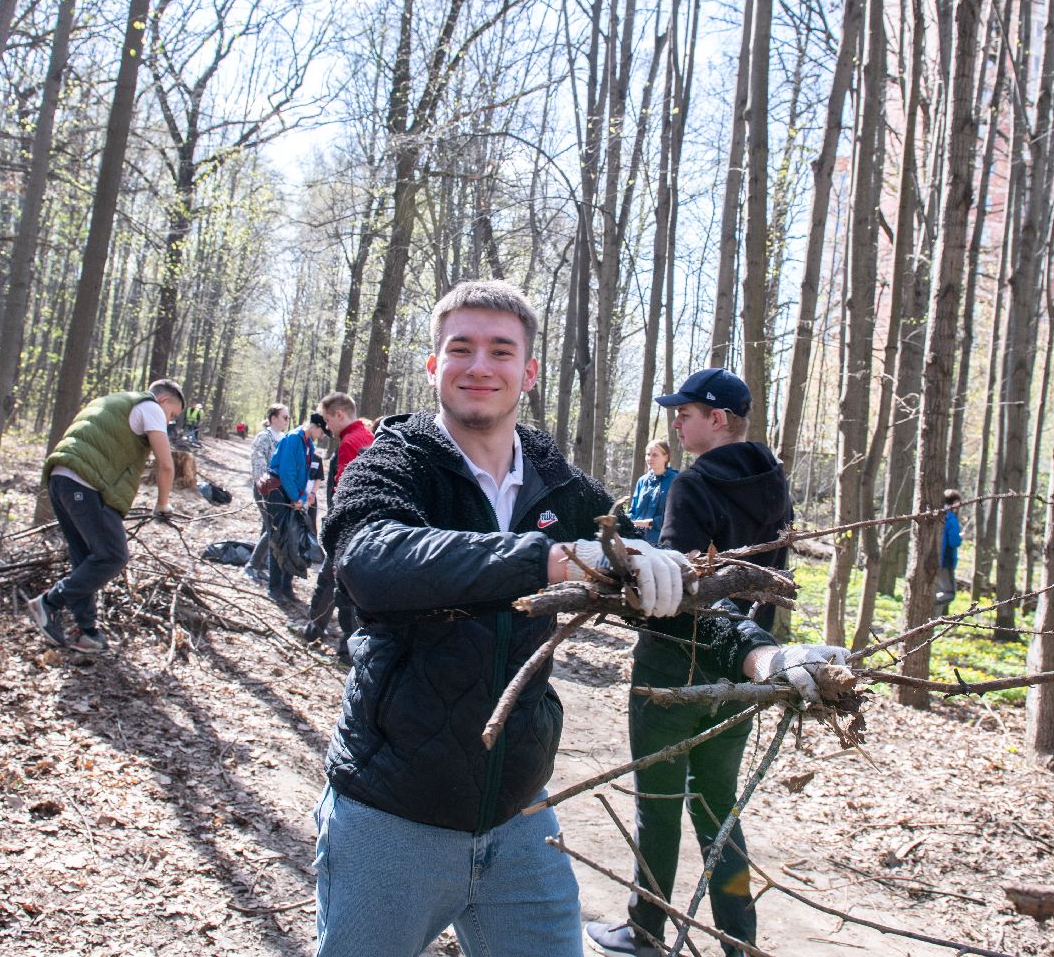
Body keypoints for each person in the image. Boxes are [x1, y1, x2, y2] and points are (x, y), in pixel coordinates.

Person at [314, 282, 829, 957]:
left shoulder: (565, 487)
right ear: (434, 365)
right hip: (392, 816)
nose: (480, 366)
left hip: (521, 820)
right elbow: (370, 560)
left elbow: (665, 594)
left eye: (502, 351)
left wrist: (765, 656)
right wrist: (552, 558)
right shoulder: (393, 463)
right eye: (461, 349)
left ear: (528, 372)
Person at [586, 367, 847, 957]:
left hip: (673, 667)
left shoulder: (693, 484)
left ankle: (645, 932)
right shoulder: (774, 480)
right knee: (718, 811)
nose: (676, 423)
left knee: (658, 806)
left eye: (685, 413)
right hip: (745, 668)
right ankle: (739, 940)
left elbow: (677, 590)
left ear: (718, 419)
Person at [28, 378, 185, 655]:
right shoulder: (150, 407)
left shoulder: (114, 400)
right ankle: (49, 602)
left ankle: (87, 632)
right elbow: (166, 465)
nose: (169, 422)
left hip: (61, 479)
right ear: (163, 401)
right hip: (84, 483)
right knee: (113, 555)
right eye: (172, 414)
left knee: (85, 558)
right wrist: (162, 505)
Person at [300, 390, 375, 659]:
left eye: (328, 420)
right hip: (361, 527)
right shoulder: (366, 436)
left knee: (335, 583)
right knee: (341, 584)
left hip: (349, 528)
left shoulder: (351, 441)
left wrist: (336, 527)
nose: (327, 427)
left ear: (340, 414)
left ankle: (338, 644)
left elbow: (345, 488)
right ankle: (321, 633)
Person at [265, 411, 324, 604]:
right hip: (279, 493)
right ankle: (274, 587)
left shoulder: (309, 444)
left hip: (294, 496)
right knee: (278, 537)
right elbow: (286, 471)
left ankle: (286, 585)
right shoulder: (292, 438)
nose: (322, 435)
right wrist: (295, 496)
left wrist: (302, 497)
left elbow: (304, 475)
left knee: (294, 538)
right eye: (322, 431)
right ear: (314, 426)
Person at [246, 404, 289, 584]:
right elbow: (258, 461)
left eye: (288, 417)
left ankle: (261, 564)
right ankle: (252, 565)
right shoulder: (264, 437)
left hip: (280, 491)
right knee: (273, 527)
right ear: (273, 418)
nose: (287, 420)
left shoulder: (286, 438)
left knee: (267, 527)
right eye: (284, 417)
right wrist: (264, 485)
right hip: (265, 489)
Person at [628, 439, 678, 533]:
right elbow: (633, 512)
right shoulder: (642, 481)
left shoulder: (676, 481)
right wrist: (623, 520)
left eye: (655, 455)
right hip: (636, 537)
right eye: (648, 454)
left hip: (661, 539)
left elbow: (676, 515)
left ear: (666, 457)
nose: (650, 458)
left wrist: (650, 523)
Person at [935, 488, 962, 616]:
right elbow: (954, 542)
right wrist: (960, 537)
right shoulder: (951, 518)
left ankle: (932, 620)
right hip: (946, 560)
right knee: (949, 593)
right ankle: (929, 605)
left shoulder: (938, 514)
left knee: (939, 590)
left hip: (934, 559)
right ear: (955, 502)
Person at [305, 414, 327, 534]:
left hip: (311, 495)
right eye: (321, 432)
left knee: (312, 526)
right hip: (298, 494)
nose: (321, 436)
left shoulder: (317, 458)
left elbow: (319, 477)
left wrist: (313, 493)